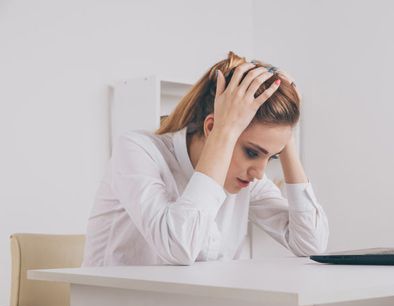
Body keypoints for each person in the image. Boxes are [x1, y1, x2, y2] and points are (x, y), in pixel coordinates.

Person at [82, 51, 329, 266]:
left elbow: (311, 244)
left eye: (272, 155)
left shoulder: (245, 179)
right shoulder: (137, 151)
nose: (259, 173)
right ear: (211, 127)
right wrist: (224, 133)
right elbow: (178, 246)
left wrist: (287, 140)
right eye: (252, 152)